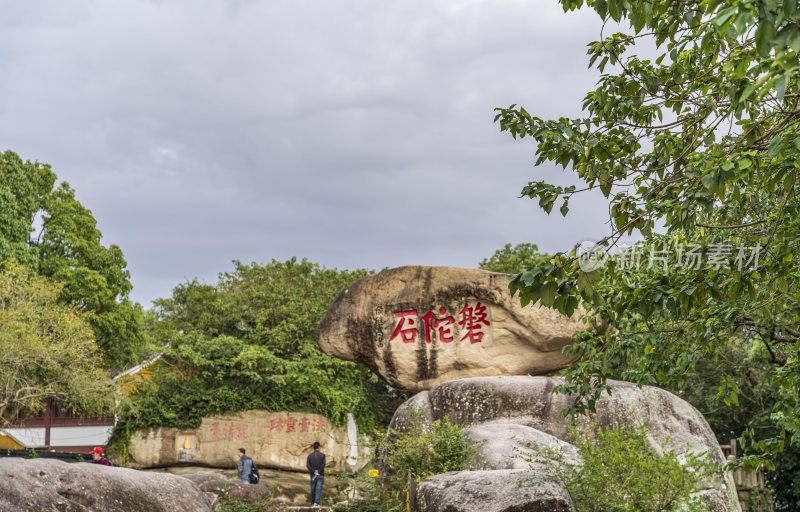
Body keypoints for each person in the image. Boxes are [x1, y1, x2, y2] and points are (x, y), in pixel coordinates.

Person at [306, 441, 326, 507]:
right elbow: (323, 465)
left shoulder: (309, 456)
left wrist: (313, 471)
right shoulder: (322, 455)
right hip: (320, 474)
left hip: (313, 475)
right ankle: (316, 503)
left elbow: (308, 465)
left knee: (313, 488)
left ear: (313, 447)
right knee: (318, 488)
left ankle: (312, 502)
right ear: (319, 447)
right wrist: (318, 472)